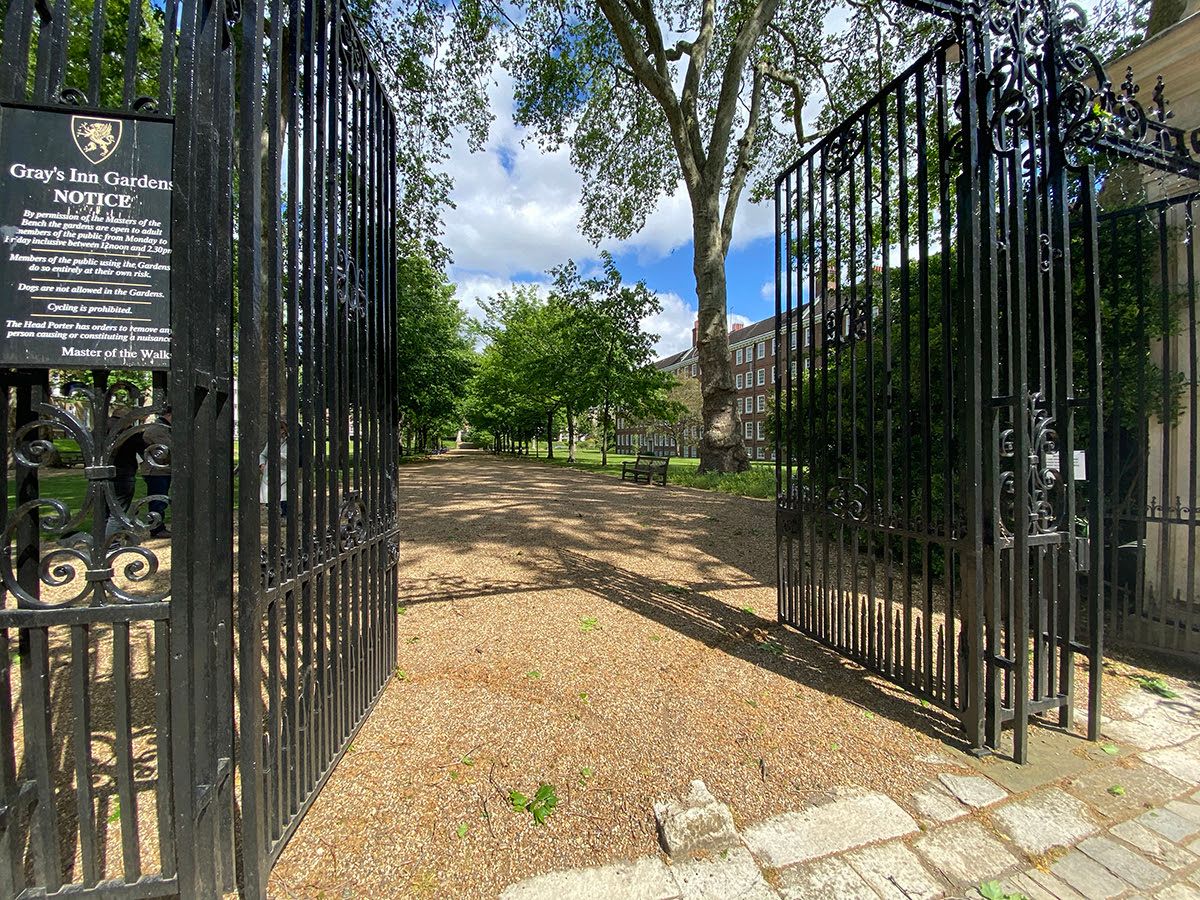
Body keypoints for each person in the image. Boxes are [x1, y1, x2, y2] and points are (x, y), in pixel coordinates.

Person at [142, 406, 172, 538]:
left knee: (161, 499)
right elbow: (169, 448)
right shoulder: (157, 429)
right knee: (158, 500)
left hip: (162, 469)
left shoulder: (164, 428)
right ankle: (156, 529)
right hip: (156, 470)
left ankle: (158, 527)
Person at [259, 420, 289, 517]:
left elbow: (288, 457)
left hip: (283, 474)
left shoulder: (290, 442)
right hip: (269, 474)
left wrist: (277, 455)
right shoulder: (271, 442)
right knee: (269, 499)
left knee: (283, 499)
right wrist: (262, 464)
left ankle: (284, 516)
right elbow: (263, 455)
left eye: (281, 429)